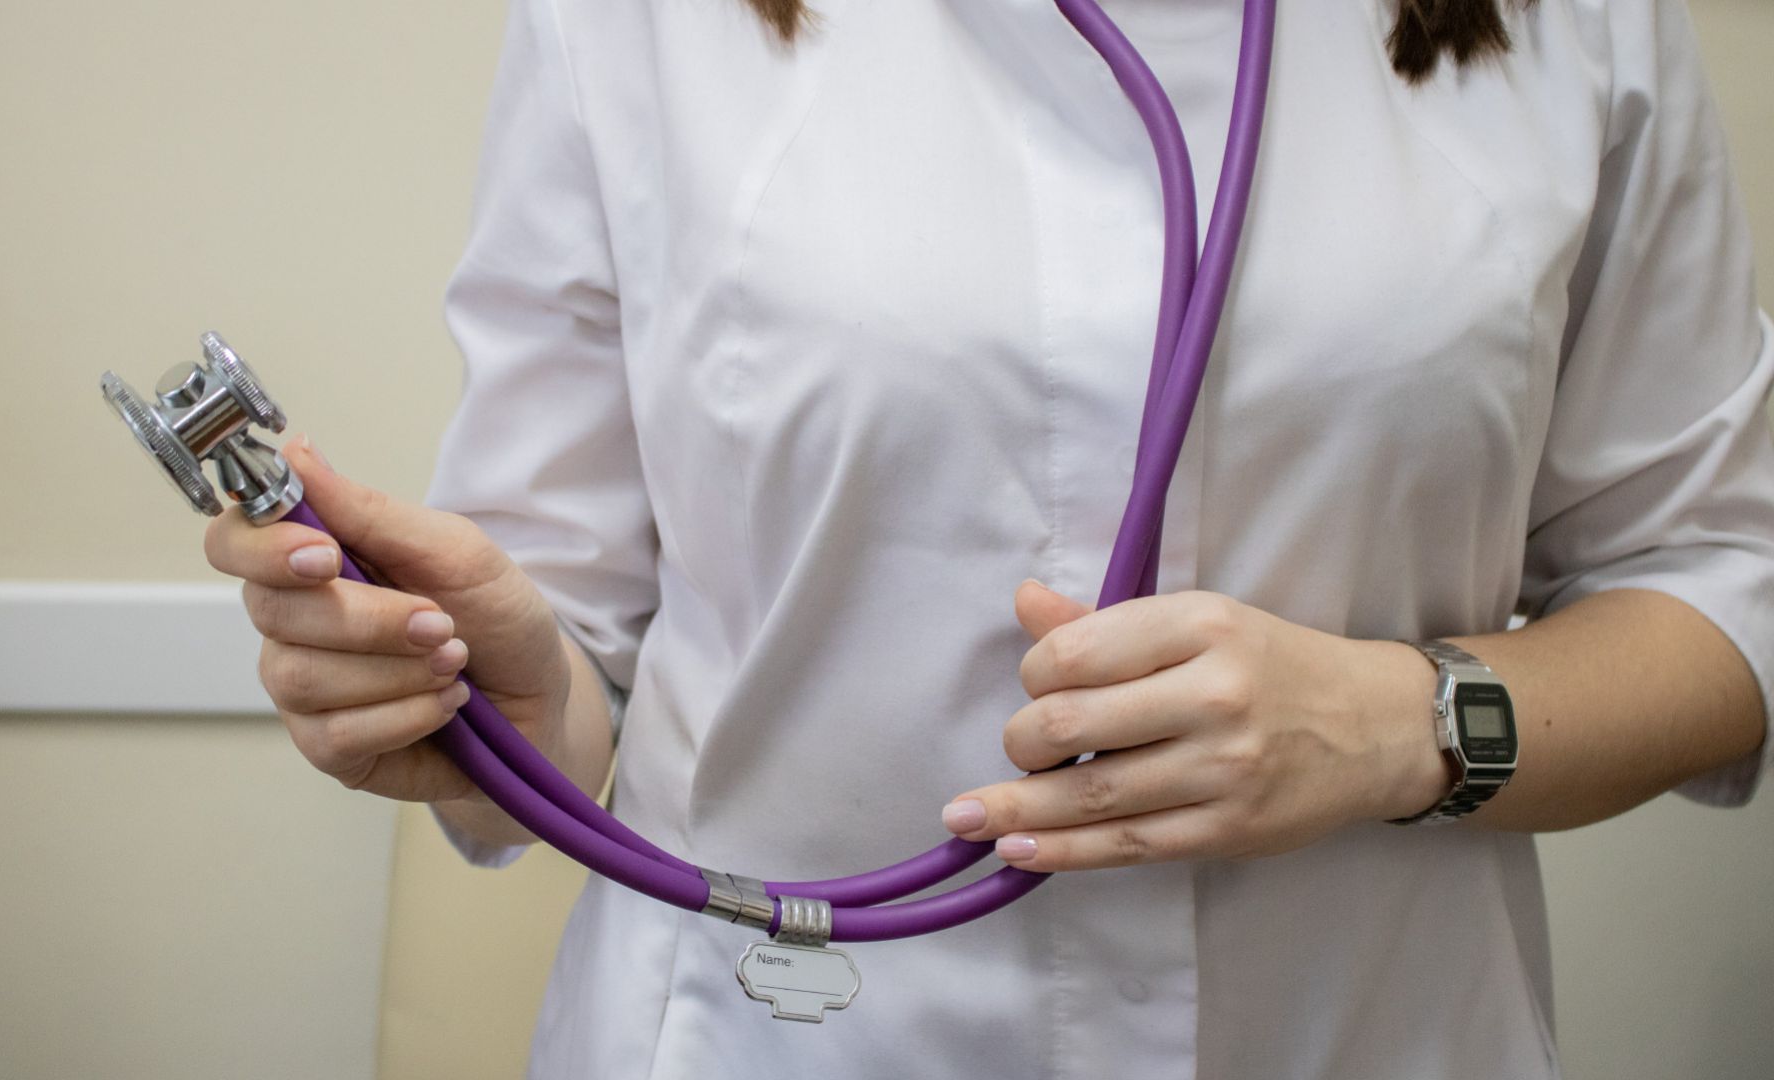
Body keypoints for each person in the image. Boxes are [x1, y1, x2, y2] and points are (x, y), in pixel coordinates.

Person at [204, 0, 1774, 1076]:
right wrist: (502, 702)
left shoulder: (1575, 23)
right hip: (779, 1044)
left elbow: (1722, 589)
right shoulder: (643, 22)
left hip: (1363, 1034)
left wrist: (1396, 726)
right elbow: (576, 661)